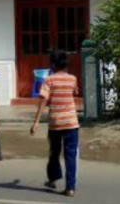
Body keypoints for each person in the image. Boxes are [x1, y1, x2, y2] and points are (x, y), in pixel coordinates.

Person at [30, 50, 79, 197]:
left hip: (56, 123)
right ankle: (70, 188)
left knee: (54, 152)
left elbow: (43, 100)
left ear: (52, 64)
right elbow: (74, 93)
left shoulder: (49, 80)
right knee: (70, 155)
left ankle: (52, 179)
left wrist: (36, 122)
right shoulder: (72, 79)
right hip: (71, 122)